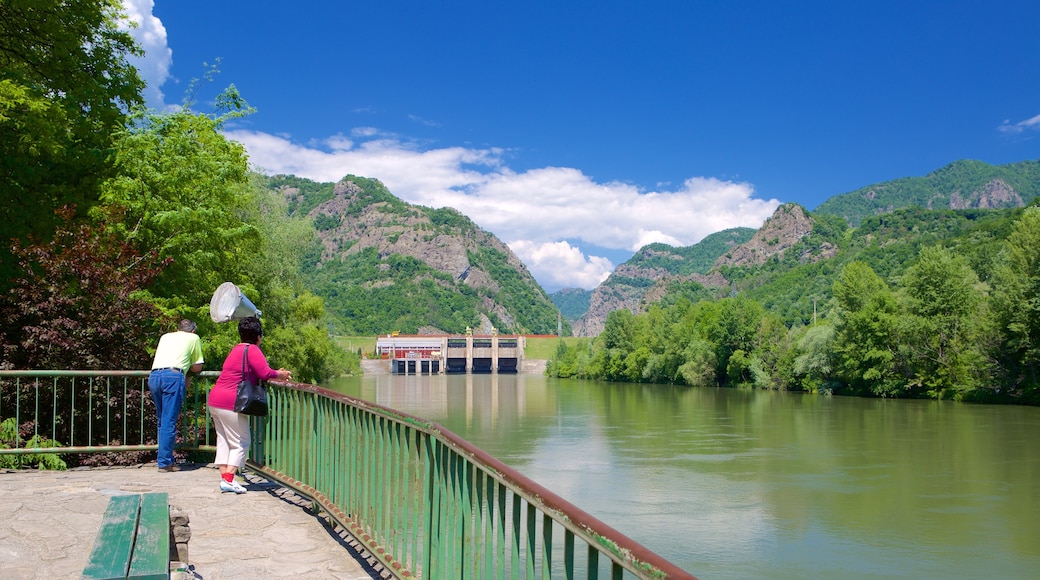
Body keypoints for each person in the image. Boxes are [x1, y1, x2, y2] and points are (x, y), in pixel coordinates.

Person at [208, 316, 291, 493]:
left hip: (215, 399)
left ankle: (226, 479)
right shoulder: (252, 349)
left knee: (223, 441)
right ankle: (229, 479)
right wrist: (281, 374)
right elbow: (264, 372)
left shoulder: (236, 349)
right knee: (242, 442)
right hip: (231, 402)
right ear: (259, 336)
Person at [148, 319, 204, 472]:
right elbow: (197, 366)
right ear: (193, 331)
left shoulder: (165, 336)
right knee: (169, 421)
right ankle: (165, 463)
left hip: (154, 376)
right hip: (173, 377)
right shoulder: (194, 338)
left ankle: (164, 459)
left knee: (162, 420)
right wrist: (189, 373)